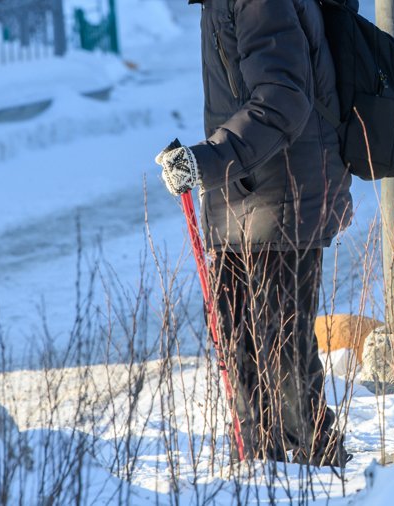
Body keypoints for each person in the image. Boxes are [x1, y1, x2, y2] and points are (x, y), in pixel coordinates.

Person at [155, 0, 354, 467]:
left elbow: (283, 100)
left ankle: (319, 473)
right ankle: (262, 468)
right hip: (246, 195)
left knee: (281, 352)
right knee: (239, 342)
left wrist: (204, 161)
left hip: (280, 197)